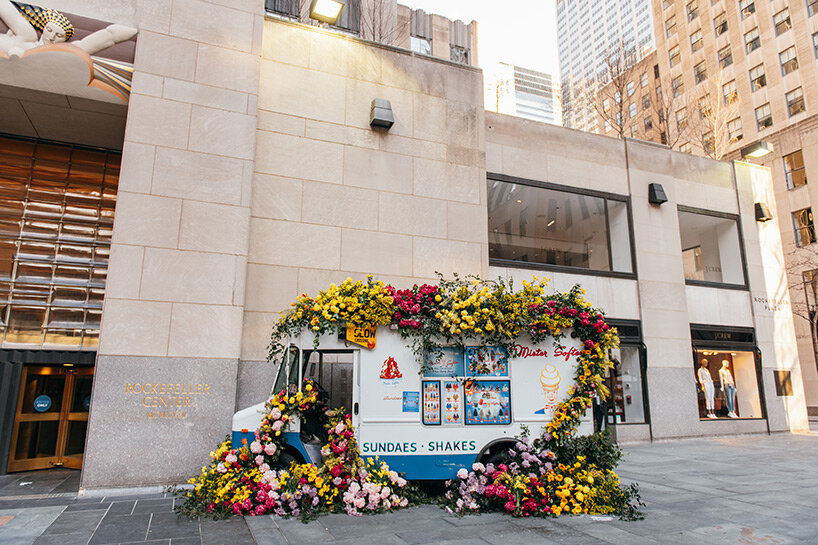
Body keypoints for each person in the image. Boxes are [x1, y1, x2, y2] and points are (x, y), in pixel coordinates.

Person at [0, 1, 136, 58]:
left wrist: (113, 35)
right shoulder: (28, 36)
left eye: (59, 35)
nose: (52, 37)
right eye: (50, 30)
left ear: (64, 40)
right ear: (44, 28)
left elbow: (84, 46)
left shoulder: (57, 52)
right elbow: (7, 10)